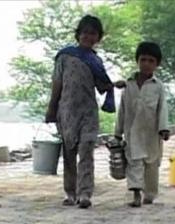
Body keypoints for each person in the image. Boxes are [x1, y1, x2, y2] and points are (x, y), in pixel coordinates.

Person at [45, 15, 123, 209]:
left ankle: (85, 193)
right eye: (85, 32)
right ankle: (70, 193)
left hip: (88, 112)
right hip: (67, 111)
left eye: (93, 33)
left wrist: (115, 85)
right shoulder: (64, 56)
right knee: (69, 153)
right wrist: (51, 109)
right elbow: (57, 84)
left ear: (98, 38)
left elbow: (103, 86)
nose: (88, 36)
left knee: (86, 151)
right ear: (78, 34)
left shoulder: (96, 62)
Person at [115, 41, 169, 208]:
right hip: (132, 133)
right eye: (143, 60)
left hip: (152, 134)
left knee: (152, 165)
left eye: (151, 61)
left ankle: (149, 195)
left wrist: (164, 128)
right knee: (134, 163)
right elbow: (122, 110)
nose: (146, 64)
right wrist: (117, 132)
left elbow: (162, 109)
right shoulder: (128, 84)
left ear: (157, 64)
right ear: (137, 61)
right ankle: (136, 194)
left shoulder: (158, 86)